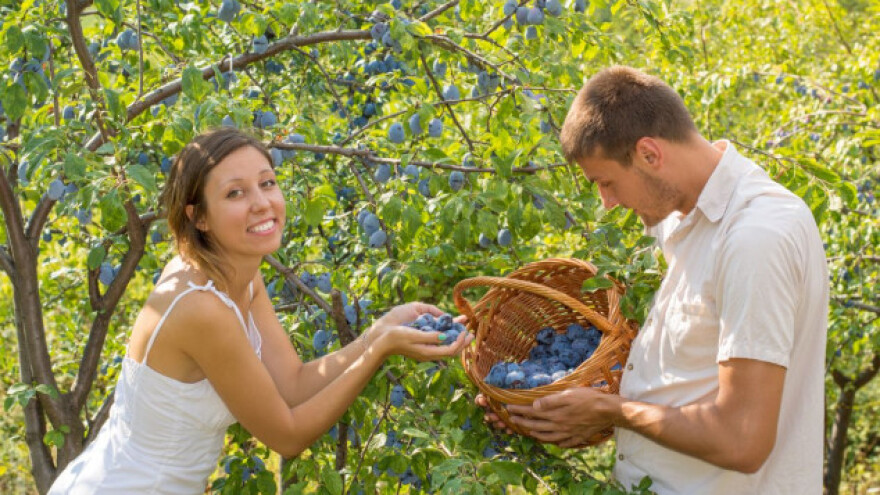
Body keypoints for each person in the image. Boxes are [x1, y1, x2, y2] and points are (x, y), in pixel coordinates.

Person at [49, 128, 472, 494]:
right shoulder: (200, 308)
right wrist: (380, 351)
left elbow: (291, 385)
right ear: (199, 217)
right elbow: (286, 436)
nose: (261, 203)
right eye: (235, 192)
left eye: (267, 183)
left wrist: (378, 332)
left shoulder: (239, 273)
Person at [479, 66, 828, 494]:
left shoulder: (755, 239)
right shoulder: (681, 219)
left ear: (649, 154)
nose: (606, 203)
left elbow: (743, 439)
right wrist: (546, 405)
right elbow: (680, 380)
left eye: (606, 182)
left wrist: (613, 411)